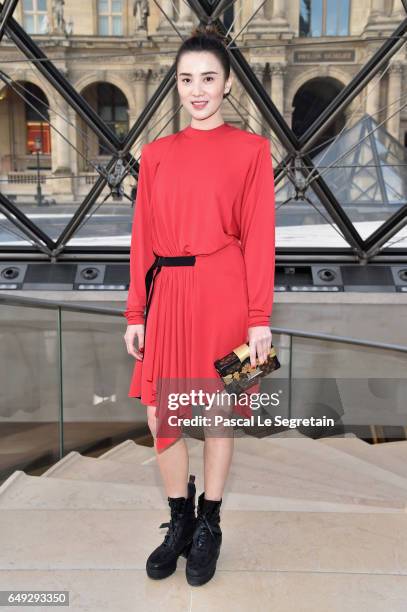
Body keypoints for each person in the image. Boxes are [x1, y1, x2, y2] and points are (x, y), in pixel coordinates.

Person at [123, 23, 275, 586]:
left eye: (209, 77)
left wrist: (260, 321)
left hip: (230, 296)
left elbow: (261, 239)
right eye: (187, 79)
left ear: (229, 83)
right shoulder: (155, 154)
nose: (198, 89)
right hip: (168, 297)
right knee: (161, 415)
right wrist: (134, 311)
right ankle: (178, 522)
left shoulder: (254, 150)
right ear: (177, 85)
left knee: (221, 413)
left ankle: (210, 522)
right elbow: (142, 239)